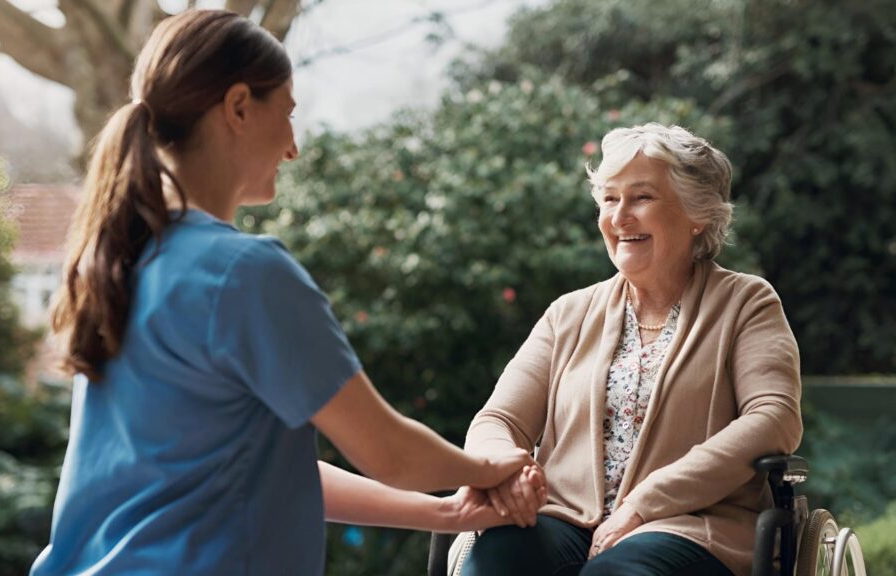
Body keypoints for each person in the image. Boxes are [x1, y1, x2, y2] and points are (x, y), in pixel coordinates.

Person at [31, 10, 542, 575]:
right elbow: (387, 451)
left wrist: (446, 514)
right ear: (240, 106)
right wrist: (490, 467)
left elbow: (260, 472)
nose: (294, 147)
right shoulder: (242, 273)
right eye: (289, 113)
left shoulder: (124, 261)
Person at [457, 123, 803, 576]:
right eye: (609, 199)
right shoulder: (568, 313)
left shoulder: (746, 303)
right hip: (563, 517)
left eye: (640, 197)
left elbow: (774, 418)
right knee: (497, 563)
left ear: (696, 213)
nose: (619, 217)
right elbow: (498, 421)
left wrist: (645, 502)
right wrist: (505, 470)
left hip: (690, 526)